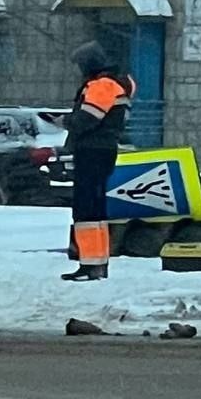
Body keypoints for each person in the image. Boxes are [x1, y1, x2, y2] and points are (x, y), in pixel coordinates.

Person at [61, 41, 135, 281]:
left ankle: (91, 264)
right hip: (103, 150)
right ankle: (95, 263)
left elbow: (87, 120)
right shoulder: (116, 84)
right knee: (96, 209)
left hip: (92, 151)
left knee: (86, 210)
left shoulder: (102, 86)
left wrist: (63, 122)